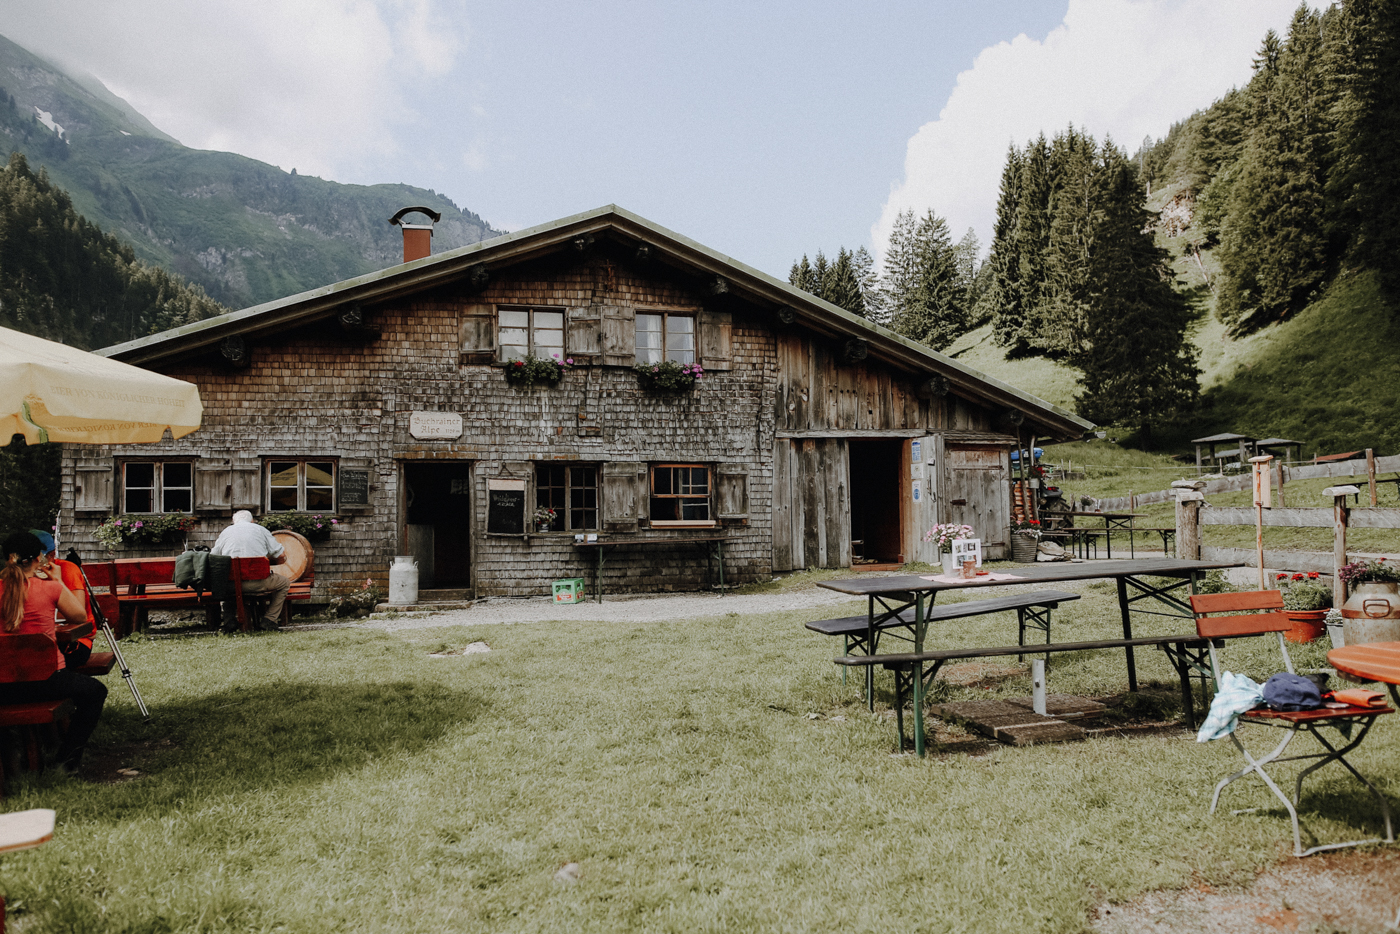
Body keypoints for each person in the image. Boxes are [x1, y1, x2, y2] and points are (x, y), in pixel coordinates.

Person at [0, 531, 108, 775]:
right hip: (46, 680)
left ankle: (13, 760)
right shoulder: (49, 589)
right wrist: (57, 582)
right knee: (95, 692)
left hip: (3, 685)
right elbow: (80, 618)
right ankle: (67, 761)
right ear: (39, 558)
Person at [211, 511, 290, 632]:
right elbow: (281, 554)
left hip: (232, 585)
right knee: (284, 582)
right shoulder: (261, 530)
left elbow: (213, 557)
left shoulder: (226, 532)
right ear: (252, 520)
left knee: (223, 582)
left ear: (233, 521)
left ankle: (229, 620)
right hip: (258, 583)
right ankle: (269, 619)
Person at [29, 529, 94, 667]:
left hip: (75, 640)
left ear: (52, 555)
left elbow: (77, 616)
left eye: (39, 559)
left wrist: (58, 582)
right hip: (37, 640)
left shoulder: (67, 570)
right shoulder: (21, 577)